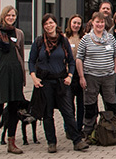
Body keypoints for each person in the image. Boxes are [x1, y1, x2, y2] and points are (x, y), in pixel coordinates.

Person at [29, 14, 89, 153]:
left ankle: (77, 140)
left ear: (56, 24)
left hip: (61, 81)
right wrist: (34, 77)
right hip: (45, 82)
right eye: (46, 24)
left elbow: (71, 62)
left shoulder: (63, 40)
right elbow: (31, 61)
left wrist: (69, 75)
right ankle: (51, 142)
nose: (49, 26)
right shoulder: (39, 42)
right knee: (48, 114)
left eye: (51, 23)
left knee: (68, 111)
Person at [0, 6, 26, 157]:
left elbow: (21, 53)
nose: (11, 17)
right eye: (8, 15)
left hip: (15, 75)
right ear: (3, 16)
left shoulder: (19, 33)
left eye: (13, 15)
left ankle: (11, 143)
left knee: (13, 110)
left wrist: (22, 75)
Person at [75, 12, 116, 141]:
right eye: (97, 22)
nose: (100, 24)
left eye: (102, 22)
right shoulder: (86, 39)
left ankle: (113, 130)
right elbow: (79, 59)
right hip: (91, 77)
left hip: (108, 77)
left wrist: (115, 71)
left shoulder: (111, 38)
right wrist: (82, 77)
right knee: (90, 105)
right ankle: (88, 132)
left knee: (111, 104)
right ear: (92, 23)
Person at [65, 14, 85, 135]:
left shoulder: (84, 38)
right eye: (74, 23)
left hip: (81, 73)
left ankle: (79, 128)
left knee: (81, 104)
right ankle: (69, 128)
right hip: (68, 74)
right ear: (70, 24)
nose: (76, 25)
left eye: (78, 23)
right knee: (68, 104)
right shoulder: (64, 37)